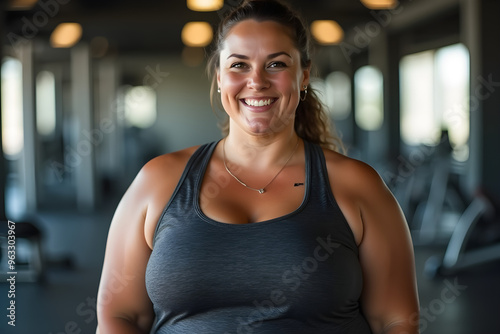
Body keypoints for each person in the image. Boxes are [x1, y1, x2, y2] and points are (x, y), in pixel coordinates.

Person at [96, 0, 420, 333]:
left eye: (276, 64)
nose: (257, 81)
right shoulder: (158, 180)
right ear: (219, 77)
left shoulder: (356, 184)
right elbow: (120, 316)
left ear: (303, 75)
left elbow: (395, 320)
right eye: (239, 65)